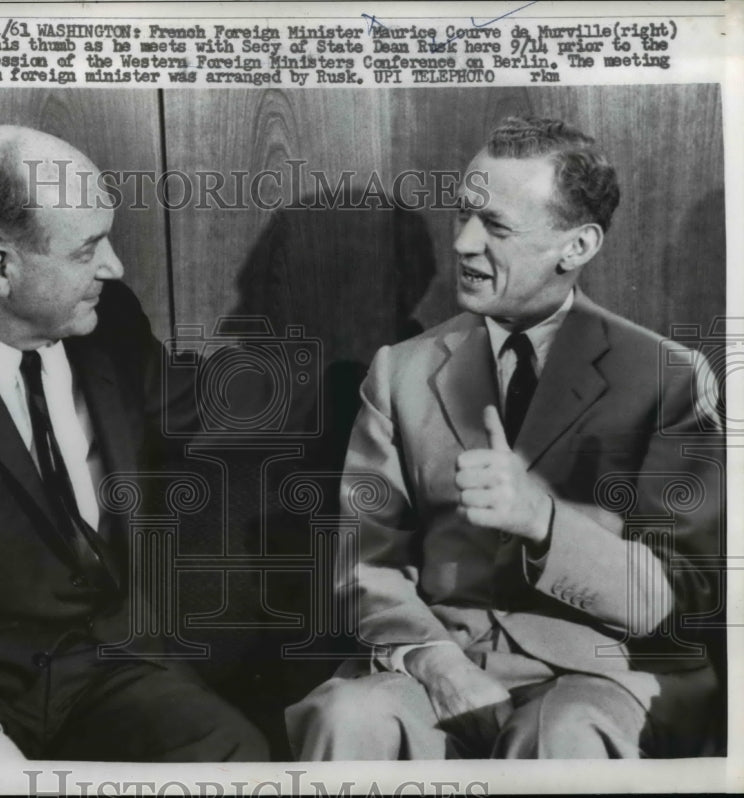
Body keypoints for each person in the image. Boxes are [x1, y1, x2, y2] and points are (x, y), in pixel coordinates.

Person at [285, 116, 723, 759]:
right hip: (440, 658)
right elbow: (363, 562)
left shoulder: (670, 380)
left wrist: (543, 519)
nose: (462, 243)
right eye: (463, 215)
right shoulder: (399, 372)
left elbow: (689, 593)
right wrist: (437, 663)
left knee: (561, 736)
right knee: (350, 716)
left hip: (601, 673)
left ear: (576, 247)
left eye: (495, 225)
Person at [0, 125, 269, 761]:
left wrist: (384, 395)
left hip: (112, 668)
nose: (114, 266)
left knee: (232, 755)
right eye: (87, 248)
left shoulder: (108, 319)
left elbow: (197, 417)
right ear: (1, 267)